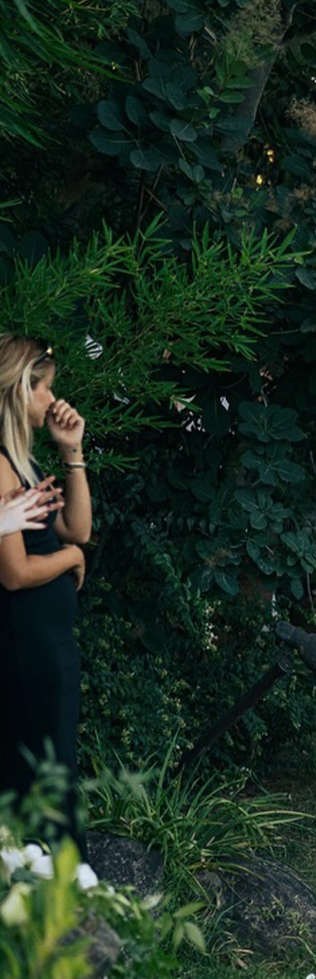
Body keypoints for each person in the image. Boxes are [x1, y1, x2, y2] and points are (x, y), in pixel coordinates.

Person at [0, 338, 92, 857]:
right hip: (23, 643)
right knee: (43, 768)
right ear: (20, 390)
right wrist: (69, 562)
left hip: (46, 642)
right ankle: (57, 895)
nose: (51, 397)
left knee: (54, 764)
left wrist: (71, 450)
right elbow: (14, 573)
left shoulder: (23, 462)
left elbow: (77, 527)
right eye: (45, 386)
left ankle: (54, 894)